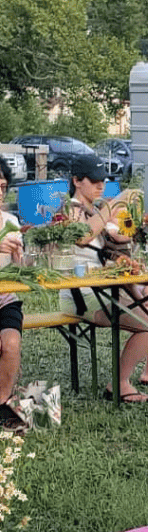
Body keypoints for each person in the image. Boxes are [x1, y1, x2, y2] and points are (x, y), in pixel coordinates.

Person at [60, 154, 148, 404]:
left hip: (105, 287)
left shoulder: (95, 209)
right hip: (80, 294)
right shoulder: (69, 210)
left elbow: (119, 235)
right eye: (94, 181)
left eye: (103, 181)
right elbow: (81, 235)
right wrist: (112, 207)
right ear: (76, 181)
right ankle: (118, 382)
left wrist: (138, 226)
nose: (100, 186)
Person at [0, 158, 25, 428]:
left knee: (10, 344)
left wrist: (20, 257)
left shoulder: (10, 220)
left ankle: (3, 402)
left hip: (6, 299)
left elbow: (21, 269)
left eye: (3, 186)